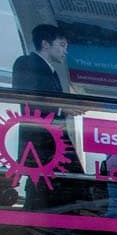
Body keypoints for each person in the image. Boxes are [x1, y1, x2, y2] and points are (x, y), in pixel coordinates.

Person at [11, 24, 84, 212]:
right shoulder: (26, 63)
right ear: (45, 44)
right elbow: (31, 101)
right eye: (61, 45)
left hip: (51, 146)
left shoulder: (51, 72)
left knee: (55, 192)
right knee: (43, 193)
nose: (64, 51)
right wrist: (63, 107)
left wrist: (64, 109)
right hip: (40, 145)